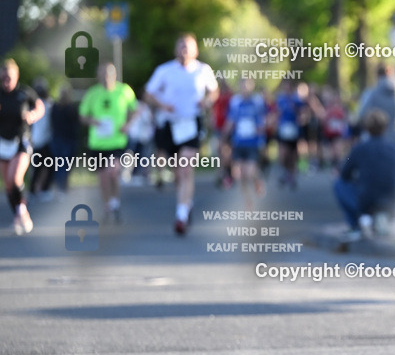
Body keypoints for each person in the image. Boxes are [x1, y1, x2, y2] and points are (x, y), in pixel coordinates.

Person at [144, 33, 218, 235]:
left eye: (188, 46)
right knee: (178, 173)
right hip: (170, 124)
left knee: (186, 168)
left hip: (191, 123)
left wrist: (207, 101)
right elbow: (148, 93)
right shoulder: (165, 71)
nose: (184, 50)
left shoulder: (203, 70)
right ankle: (186, 202)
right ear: (176, 50)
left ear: (196, 50)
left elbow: (213, 91)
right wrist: (162, 105)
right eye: (181, 46)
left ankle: (181, 216)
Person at [79, 63, 138, 223]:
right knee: (103, 176)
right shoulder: (93, 93)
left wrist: (128, 124)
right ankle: (107, 204)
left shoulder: (123, 90)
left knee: (113, 171)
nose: (106, 77)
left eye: (109, 74)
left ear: (114, 75)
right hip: (98, 143)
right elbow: (83, 115)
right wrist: (93, 121)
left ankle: (115, 201)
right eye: (103, 74)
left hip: (117, 141)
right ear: (99, 75)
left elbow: (136, 109)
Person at [333, 109, 395, 238]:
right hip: (390, 198)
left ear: (366, 128)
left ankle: (355, 225)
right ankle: (385, 217)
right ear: (385, 127)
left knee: (338, 184)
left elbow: (345, 174)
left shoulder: (359, 148)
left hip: (366, 200)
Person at [0, 59, 45, 234]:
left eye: (9, 77)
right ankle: (19, 214)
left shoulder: (24, 92)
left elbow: (39, 106)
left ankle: (22, 214)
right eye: (3, 78)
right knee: (9, 185)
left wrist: (33, 115)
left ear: (16, 76)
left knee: (16, 178)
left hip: (21, 141)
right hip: (3, 141)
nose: (6, 81)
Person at [223, 78, 267, 211]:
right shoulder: (235, 102)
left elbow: (264, 119)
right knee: (240, 174)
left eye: (247, 86)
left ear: (251, 87)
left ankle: (257, 179)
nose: (245, 89)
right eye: (243, 86)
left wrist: (262, 132)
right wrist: (224, 138)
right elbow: (231, 121)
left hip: (253, 143)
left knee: (249, 172)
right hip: (238, 142)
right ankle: (248, 201)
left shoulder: (257, 102)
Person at [48, 85, 80, 197]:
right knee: (65, 165)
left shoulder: (55, 107)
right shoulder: (70, 108)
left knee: (60, 164)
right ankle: (62, 187)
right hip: (67, 139)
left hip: (58, 139)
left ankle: (61, 186)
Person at [28, 79, 55, 201]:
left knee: (49, 165)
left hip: (46, 140)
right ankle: (33, 191)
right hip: (36, 141)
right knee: (37, 168)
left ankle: (44, 189)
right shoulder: (31, 105)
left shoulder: (49, 104)